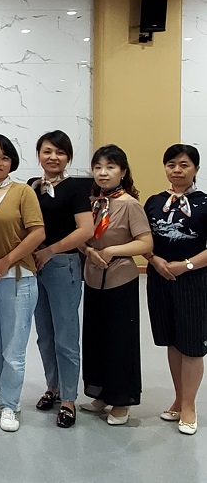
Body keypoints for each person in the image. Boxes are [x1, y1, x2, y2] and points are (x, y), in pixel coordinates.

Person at [0, 135, 45, 432]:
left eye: (4, 157)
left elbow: (38, 233)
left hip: (17, 278)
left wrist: (5, 262)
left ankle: (10, 405)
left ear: (12, 161)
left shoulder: (22, 192)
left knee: (13, 348)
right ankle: (4, 393)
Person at [77, 144, 152, 426]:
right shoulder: (92, 202)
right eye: (98, 167)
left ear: (122, 171)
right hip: (93, 278)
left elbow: (145, 243)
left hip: (120, 278)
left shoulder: (130, 204)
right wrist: (88, 250)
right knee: (96, 338)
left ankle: (121, 400)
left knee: (120, 341)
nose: (103, 173)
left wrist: (112, 251)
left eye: (110, 167)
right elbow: (82, 236)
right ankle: (100, 394)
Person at [27, 130, 94, 428]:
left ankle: (68, 398)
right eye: (47, 151)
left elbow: (85, 230)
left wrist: (50, 250)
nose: (53, 157)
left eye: (60, 152)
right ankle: (52, 387)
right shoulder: (32, 186)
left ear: (68, 157)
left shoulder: (76, 188)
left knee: (65, 336)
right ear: (38, 155)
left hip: (62, 265)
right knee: (44, 334)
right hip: (34, 266)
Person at [145, 144, 207, 435]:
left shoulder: (204, 203)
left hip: (193, 281)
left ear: (196, 169)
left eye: (184, 165)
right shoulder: (154, 202)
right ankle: (179, 398)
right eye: (171, 165)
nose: (177, 170)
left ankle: (190, 406)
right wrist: (153, 260)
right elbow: (143, 239)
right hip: (159, 278)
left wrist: (186, 266)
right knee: (172, 341)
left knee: (192, 345)